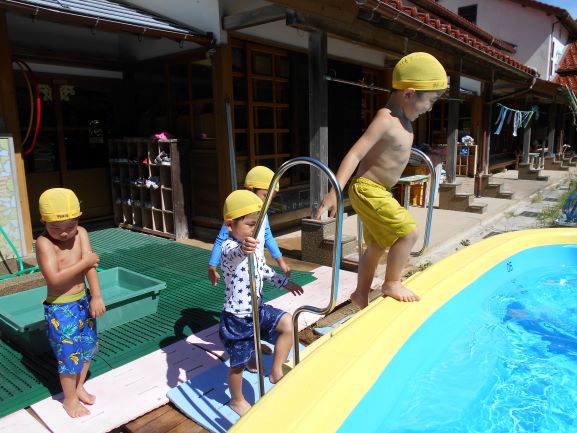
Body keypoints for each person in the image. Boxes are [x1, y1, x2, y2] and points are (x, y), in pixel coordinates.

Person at [315, 52, 447, 308]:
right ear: (408, 94)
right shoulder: (386, 119)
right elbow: (355, 153)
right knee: (408, 232)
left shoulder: (405, 121)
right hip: (367, 189)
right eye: (429, 101)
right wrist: (335, 192)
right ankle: (391, 283)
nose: (430, 108)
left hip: (380, 190)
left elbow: (393, 152)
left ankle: (360, 293)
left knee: (377, 245)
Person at [218, 190, 303, 416]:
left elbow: (263, 269)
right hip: (237, 317)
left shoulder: (254, 246)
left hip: (257, 309)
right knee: (238, 362)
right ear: (230, 225)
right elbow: (236, 253)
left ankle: (275, 371)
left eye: (257, 225)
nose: (254, 231)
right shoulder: (229, 248)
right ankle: (237, 400)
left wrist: (284, 282)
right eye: (249, 225)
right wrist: (243, 246)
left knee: (288, 324)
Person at [35, 188, 105, 418]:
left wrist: (96, 295)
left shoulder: (82, 233)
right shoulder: (44, 243)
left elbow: (90, 267)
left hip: (83, 301)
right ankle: (69, 399)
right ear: (43, 221)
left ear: (79, 217)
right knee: (68, 355)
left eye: (69, 227)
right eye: (55, 227)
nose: (64, 234)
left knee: (87, 348)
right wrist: (85, 261)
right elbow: (54, 277)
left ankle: (79, 387)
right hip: (60, 307)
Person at [208, 166, 291, 287]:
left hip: (256, 262)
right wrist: (212, 266)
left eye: (271, 198)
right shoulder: (237, 216)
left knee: (256, 290)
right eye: (265, 196)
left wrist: (281, 261)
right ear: (250, 190)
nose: (268, 202)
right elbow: (220, 240)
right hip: (238, 267)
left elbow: (268, 237)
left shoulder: (264, 215)